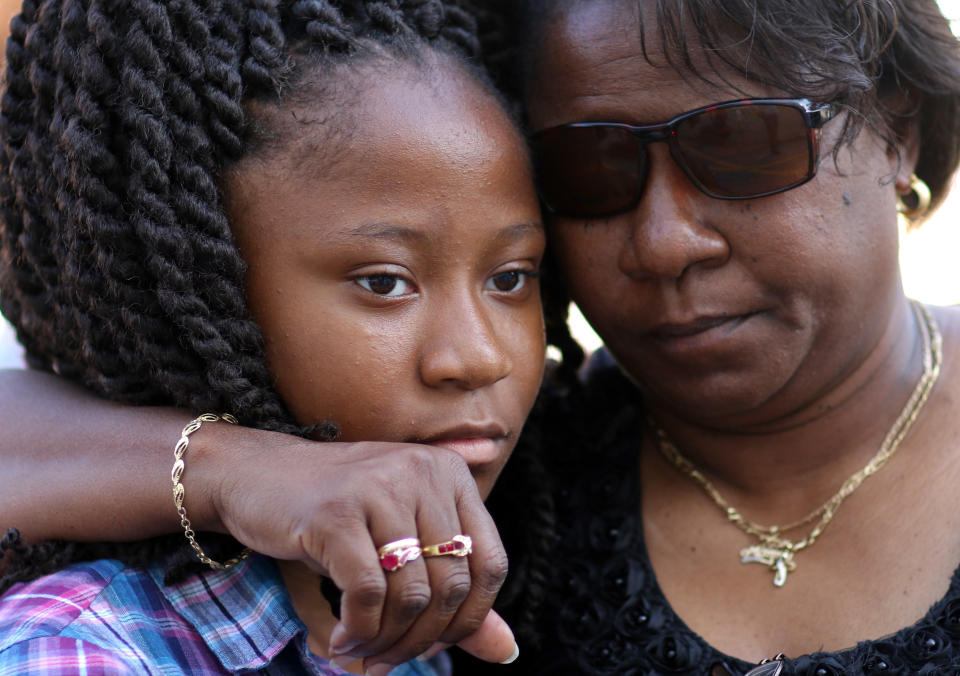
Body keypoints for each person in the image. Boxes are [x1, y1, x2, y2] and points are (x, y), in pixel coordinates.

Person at [4, 0, 960, 674]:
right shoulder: (499, 472)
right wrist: (234, 466)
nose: (666, 241)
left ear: (900, 132)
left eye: (743, 143)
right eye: (592, 167)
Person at [0, 0, 548, 673]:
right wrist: (231, 467)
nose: (478, 357)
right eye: (384, 282)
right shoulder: (83, 648)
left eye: (512, 277)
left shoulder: (489, 568)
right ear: (193, 285)